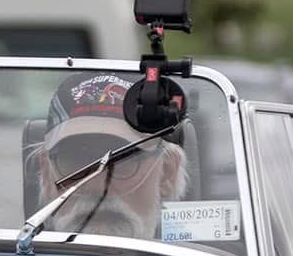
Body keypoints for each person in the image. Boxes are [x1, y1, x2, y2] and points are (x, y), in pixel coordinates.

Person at [32, 71, 191, 240]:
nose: (98, 187)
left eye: (122, 160)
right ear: (47, 174)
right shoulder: (13, 252)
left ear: (167, 173)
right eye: (75, 161)